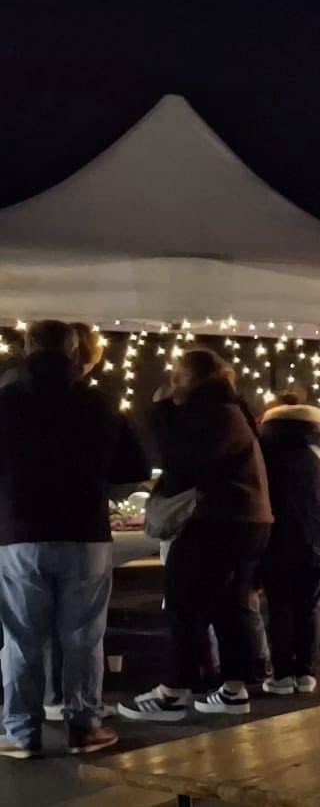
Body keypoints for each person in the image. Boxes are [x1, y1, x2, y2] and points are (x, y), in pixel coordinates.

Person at [0, 321, 149, 758]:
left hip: (19, 533)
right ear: (74, 351)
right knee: (83, 636)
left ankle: (20, 733)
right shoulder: (100, 403)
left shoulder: (5, 400)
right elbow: (134, 468)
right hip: (86, 534)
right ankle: (84, 728)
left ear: (28, 347)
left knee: (21, 638)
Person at [121, 348, 274, 722]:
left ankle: (173, 693)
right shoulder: (233, 409)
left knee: (184, 603)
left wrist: (160, 413)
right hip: (247, 519)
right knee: (230, 606)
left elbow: (181, 461)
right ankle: (233, 689)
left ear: (186, 379)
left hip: (215, 520)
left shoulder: (212, 413)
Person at [255, 393, 320, 696]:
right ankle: (306, 672)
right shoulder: (318, 451)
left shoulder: (265, 454)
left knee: (280, 608)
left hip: (277, 540)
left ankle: (283, 674)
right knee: (309, 606)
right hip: (315, 541)